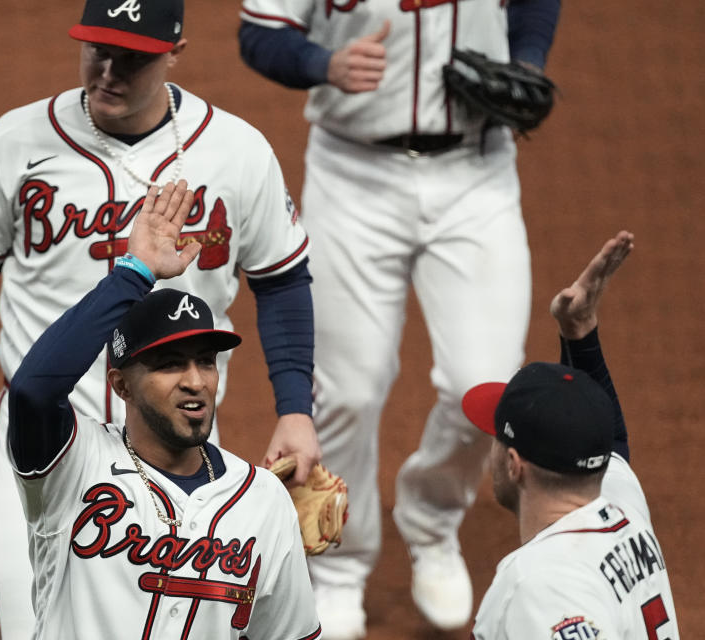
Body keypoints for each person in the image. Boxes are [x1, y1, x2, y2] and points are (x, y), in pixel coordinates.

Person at [0, 1, 320, 637]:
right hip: (49, 436)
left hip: (174, 436)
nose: (107, 71)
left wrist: (296, 408)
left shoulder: (237, 151)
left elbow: (281, 280)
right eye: (96, 50)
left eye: (130, 58)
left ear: (175, 52)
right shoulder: (16, 142)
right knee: (34, 627)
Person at [236, 0, 561, 636]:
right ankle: (340, 566)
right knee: (348, 389)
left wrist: (528, 60)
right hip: (352, 173)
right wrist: (321, 62)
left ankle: (432, 520)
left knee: (486, 389)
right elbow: (260, 33)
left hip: (478, 174)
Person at [7, 179, 322, 639]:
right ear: (121, 386)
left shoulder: (263, 500)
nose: (195, 381)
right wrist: (133, 273)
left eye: (205, 362)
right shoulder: (73, 465)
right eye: (169, 365)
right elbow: (33, 390)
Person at [462, 231, 681, 639]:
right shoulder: (619, 508)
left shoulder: (540, 586)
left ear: (515, 465)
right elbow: (609, 442)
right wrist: (580, 333)